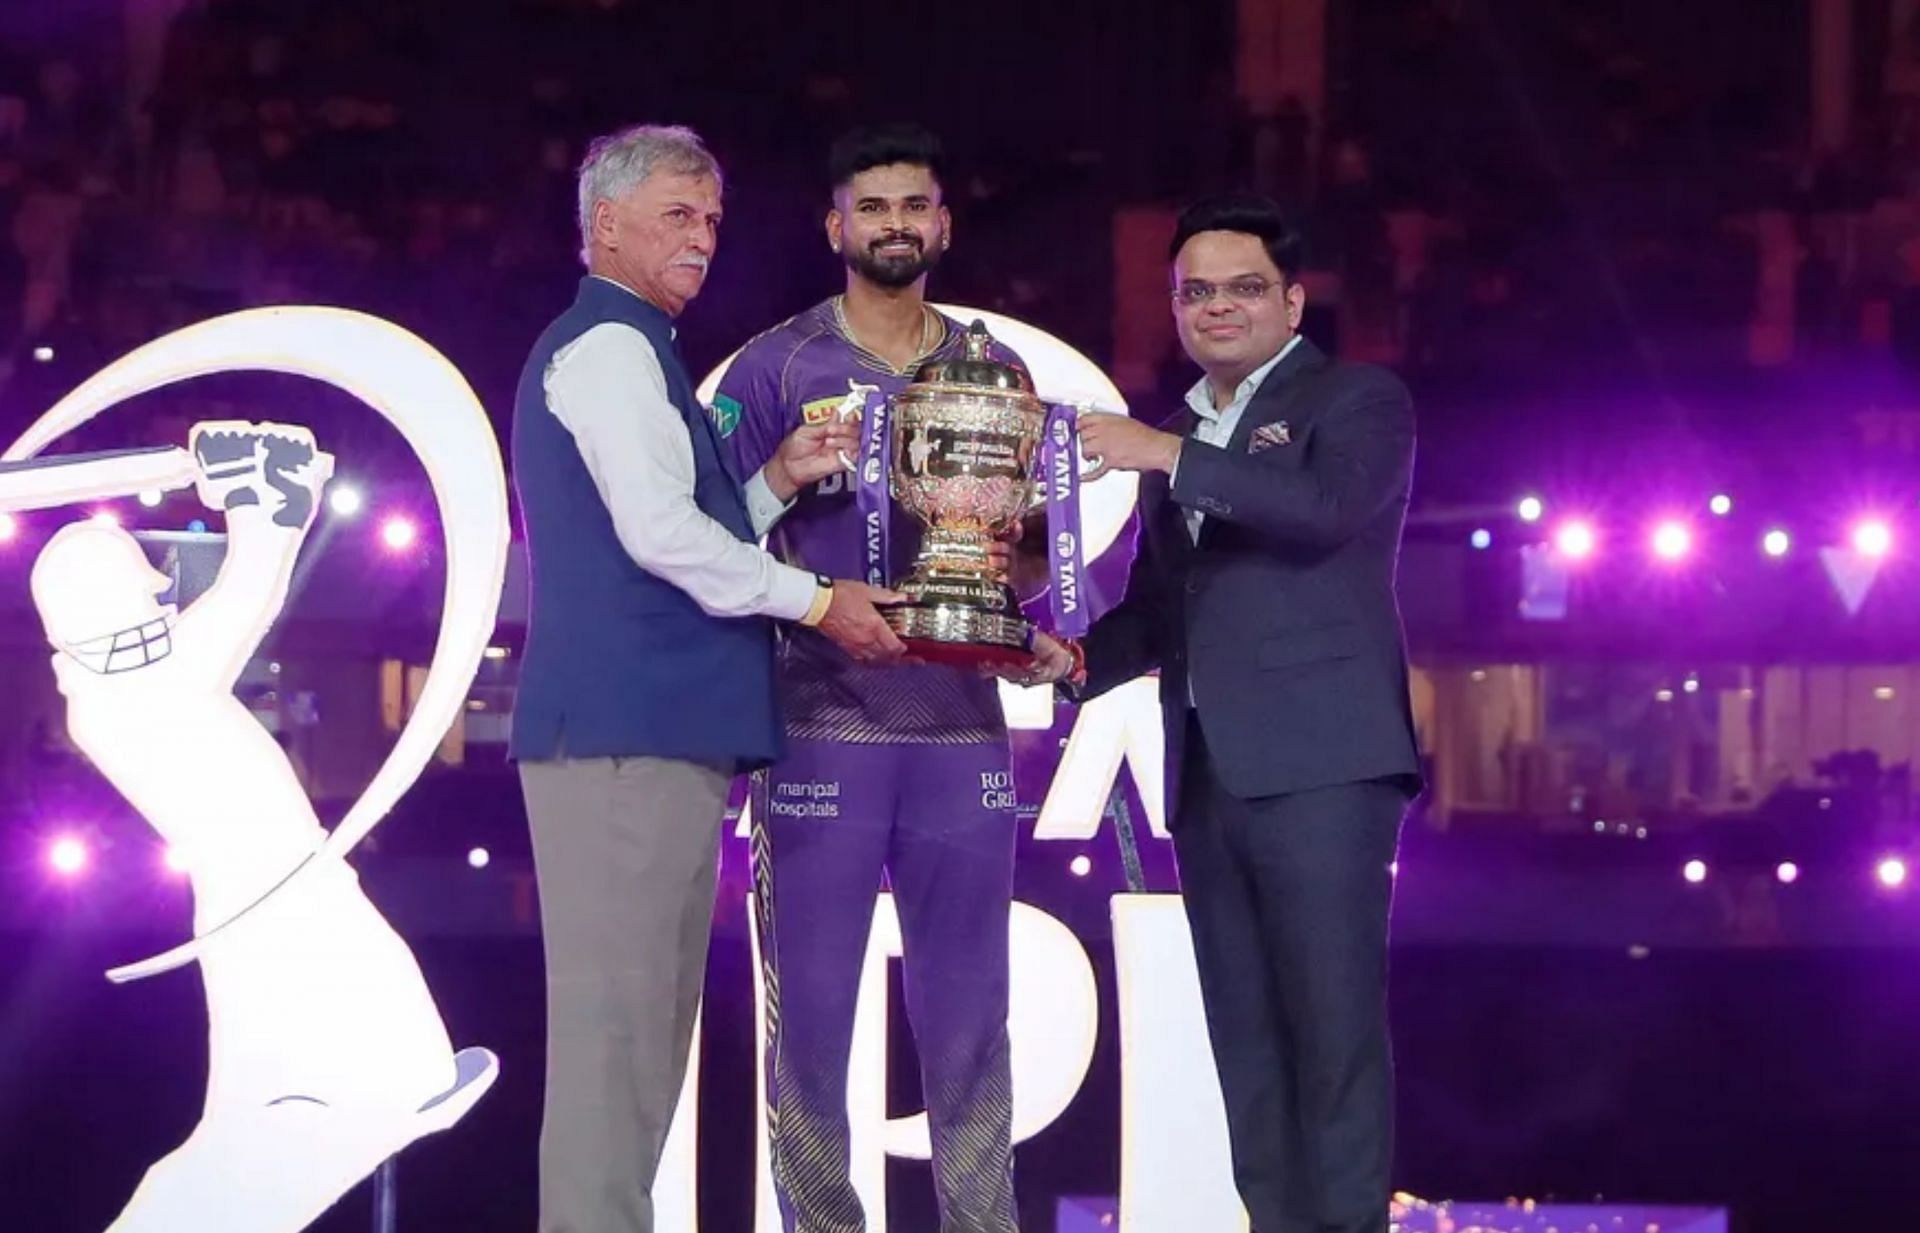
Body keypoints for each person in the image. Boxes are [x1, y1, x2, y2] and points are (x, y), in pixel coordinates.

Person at [509, 123, 904, 1233]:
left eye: (714, 219)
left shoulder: (636, 351)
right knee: (616, 1055)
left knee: (639, 1054)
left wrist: (774, 481)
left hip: (656, 740)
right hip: (623, 742)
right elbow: (660, 538)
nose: (704, 239)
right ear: (606, 226)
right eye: (678, 215)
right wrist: (819, 600)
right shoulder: (608, 350)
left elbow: (680, 525)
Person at [1024, 193, 1420, 1233]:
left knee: (1331, 1035)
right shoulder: (1180, 428)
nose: (1217, 308)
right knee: (1244, 1040)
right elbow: (1162, 609)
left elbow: (1322, 513)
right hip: (1205, 769)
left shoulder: (1358, 401)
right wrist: (1070, 658)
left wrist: (1166, 457)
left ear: (1293, 300)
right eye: (1195, 291)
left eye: (1244, 288)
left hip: (1325, 765)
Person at [712, 122, 1024, 1233]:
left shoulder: (994, 369)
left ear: (942, 223)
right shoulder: (773, 367)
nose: (896, 224)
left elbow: (1022, 550)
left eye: (915, 206)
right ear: (835, 227)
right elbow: (708, 546)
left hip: (962, 732)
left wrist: (1037, 607)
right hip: (817, 728)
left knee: (973, 1020)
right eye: (872, 207)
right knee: (810, 1029)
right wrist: (787, 473)